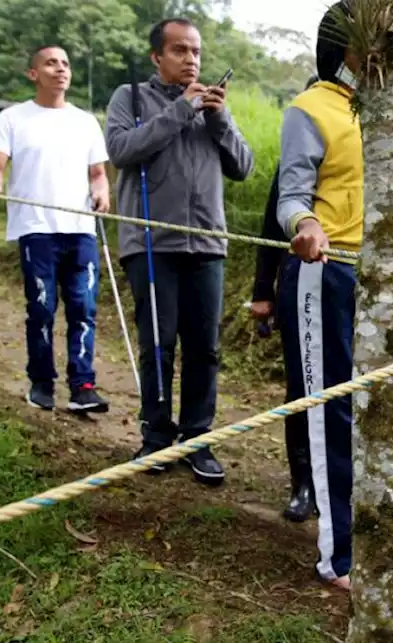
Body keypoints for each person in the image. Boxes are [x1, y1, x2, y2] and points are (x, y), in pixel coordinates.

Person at [279, 4, 393, 599]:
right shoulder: (309, 110)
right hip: (330, 272)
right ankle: (340, 553)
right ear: (342, 49)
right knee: (335, 411)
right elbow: (291, 193)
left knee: (392, 411)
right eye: (366, 44)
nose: (376, 55)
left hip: (389, 278)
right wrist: (305, 224)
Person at [105, 18, 255, 484]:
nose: (191, 60)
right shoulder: (129, 98)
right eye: (180, 51)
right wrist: (180, 112)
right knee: (157, 341)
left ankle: (197, 439)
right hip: (150, 243)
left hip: (207, 242)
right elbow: (121, 151)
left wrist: (217, 116)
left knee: (204, 348)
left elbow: (244, 167)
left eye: (196, 52)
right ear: (157, 57)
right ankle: (155, 439)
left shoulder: (211, 108)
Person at [0, 46, 111, 414]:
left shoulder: (85, 121)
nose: (61, 69)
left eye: (65, 63)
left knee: (83, 307)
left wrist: (101, 194)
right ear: (33, 73)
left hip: (81, 228)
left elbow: (98, 175)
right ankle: (41, 382)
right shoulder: (13, 118)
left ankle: (83, 386)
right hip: (36, 228)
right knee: (41, 307)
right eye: (51, 63)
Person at [252, 74, 320, 524]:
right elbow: (269, 229)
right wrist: (263, 293)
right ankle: (303, 482)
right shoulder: (295, 162)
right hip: (300, 278)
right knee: (302, 383)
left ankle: (339, 479)